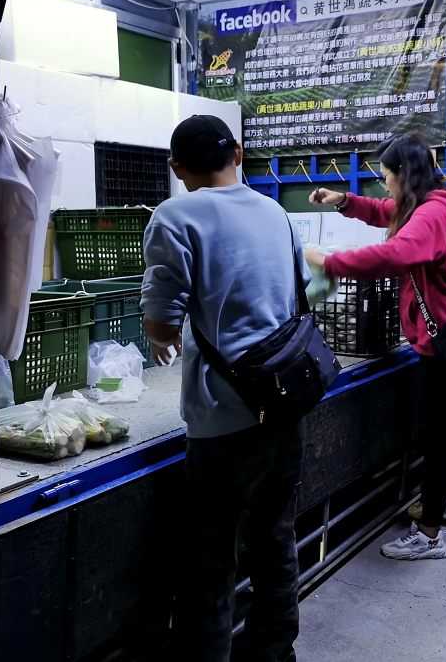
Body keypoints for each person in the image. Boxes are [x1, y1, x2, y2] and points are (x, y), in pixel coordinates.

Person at [141, 115, 310, 662]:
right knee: (275, 543)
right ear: (237, 153)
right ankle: (274, 652)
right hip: (283, 404)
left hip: (223, 422)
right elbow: (296, 295)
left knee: (211, 564)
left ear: (177, 166)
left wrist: (167, 334)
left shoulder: (174, 216)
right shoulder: (279, 214)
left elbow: (162, 323)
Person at [305, 133, 446, 561]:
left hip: (442, 342)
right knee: (434, 430)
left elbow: (394, 254)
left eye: (386, 177)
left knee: (433, 438)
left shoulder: (431, 216)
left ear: (405, 175)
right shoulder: (431, 204)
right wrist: (343, 200)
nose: (385, 186)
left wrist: (329, 262)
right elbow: (386, 212)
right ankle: (442, 496)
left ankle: (431, 534)